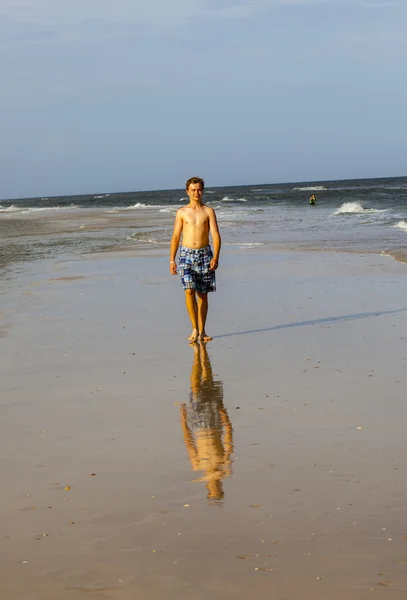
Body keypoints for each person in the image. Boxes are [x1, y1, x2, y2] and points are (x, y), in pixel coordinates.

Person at [180, 342, 233, 505]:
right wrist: (225, 417)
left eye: (214, 491)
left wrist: (183, 419)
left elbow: (188, 443)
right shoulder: (225, 466)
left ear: (209, 489)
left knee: (197, 388)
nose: (216, 487)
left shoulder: (198, 467)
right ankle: (200, 357)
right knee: (206, 385)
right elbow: (229, 439)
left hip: (197, 423)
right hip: (213, 421)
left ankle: (199, 357)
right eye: (217, 490)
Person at [170, 176, 221, 342]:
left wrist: (216, 256)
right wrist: (172, 260)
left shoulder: (208, 211)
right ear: (187, 192)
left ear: (203, 190)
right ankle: (194, 328)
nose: (196, 192)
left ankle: (202, 331)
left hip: (205, 254)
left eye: (199, 189)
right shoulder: (182, 212)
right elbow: (176, 236)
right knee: (189, 290)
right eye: (193, 190)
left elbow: (215, 235)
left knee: (203, 294)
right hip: (186, 255)